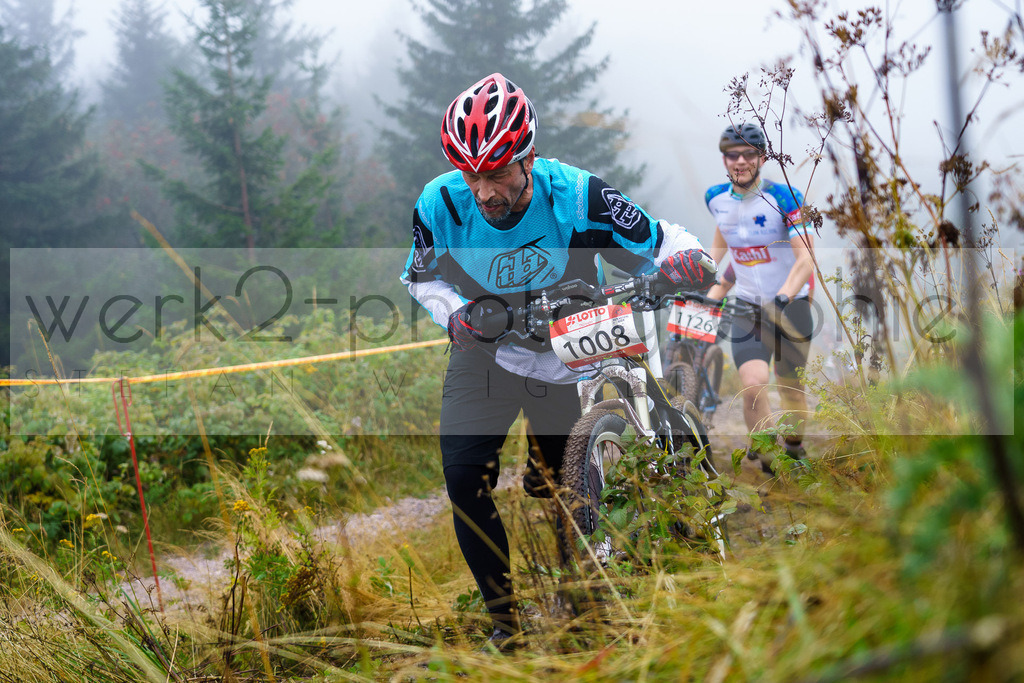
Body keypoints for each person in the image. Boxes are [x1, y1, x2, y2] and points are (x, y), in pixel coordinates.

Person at [400, 73, 715, 647]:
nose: (483, 190)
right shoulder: (439, 202)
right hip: (489, 350)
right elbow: (419, 277)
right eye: (471, 174)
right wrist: (456, 316)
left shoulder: (575, 193)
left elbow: (658, 237)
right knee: (464, 478)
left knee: (562, 487)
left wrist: (688, 259)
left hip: (567, 353)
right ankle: (505, 625)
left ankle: (588, 604)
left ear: (528, 158)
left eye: (496, 172)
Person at [704, 123, 815, 473]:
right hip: (748, 307)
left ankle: (794, 447)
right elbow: (728, 239)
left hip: (790, 305)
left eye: (749, 154)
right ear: (724, 159)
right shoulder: (715, 198)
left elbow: (806, 259)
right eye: (733, 155)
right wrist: (709, 282)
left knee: (791, 389)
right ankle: (770, 458)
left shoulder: (786, 197)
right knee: (752, 385)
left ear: (762, 158)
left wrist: (783, 297)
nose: (741, 161)